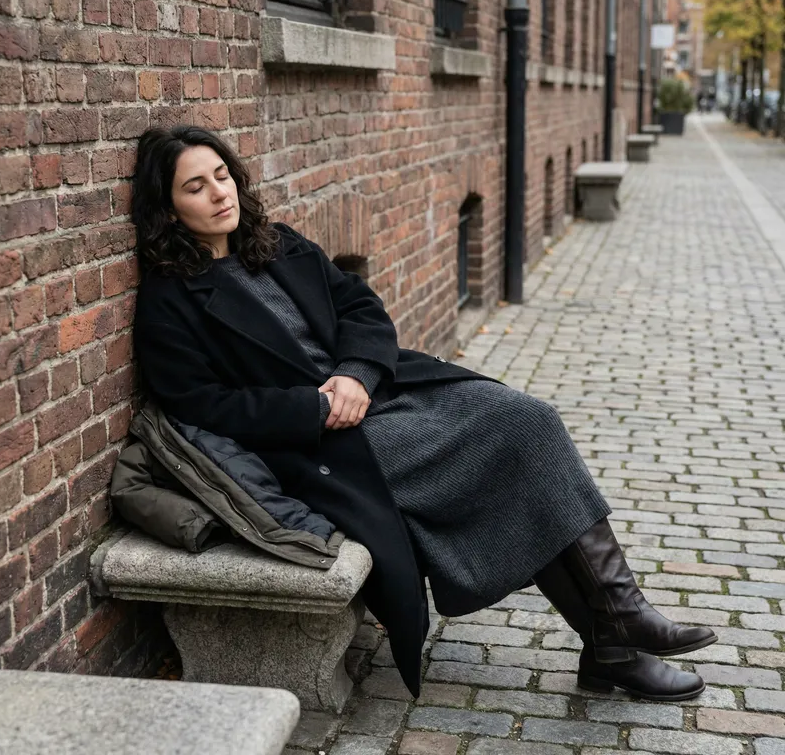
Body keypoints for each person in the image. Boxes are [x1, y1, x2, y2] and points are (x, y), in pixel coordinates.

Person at [131, 126, 717, 703]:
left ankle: (616, 627)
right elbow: (200, 404)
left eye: (222, 175)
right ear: (168, 207)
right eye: (195, 187)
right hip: (325, 445)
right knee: (515, 452)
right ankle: (616, 631)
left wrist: (357, 372)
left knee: (528, 420)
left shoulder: (277, 245)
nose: (219, 193)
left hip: (383, 395)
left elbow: (360, 306)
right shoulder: (172, 300)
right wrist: (314, 405)